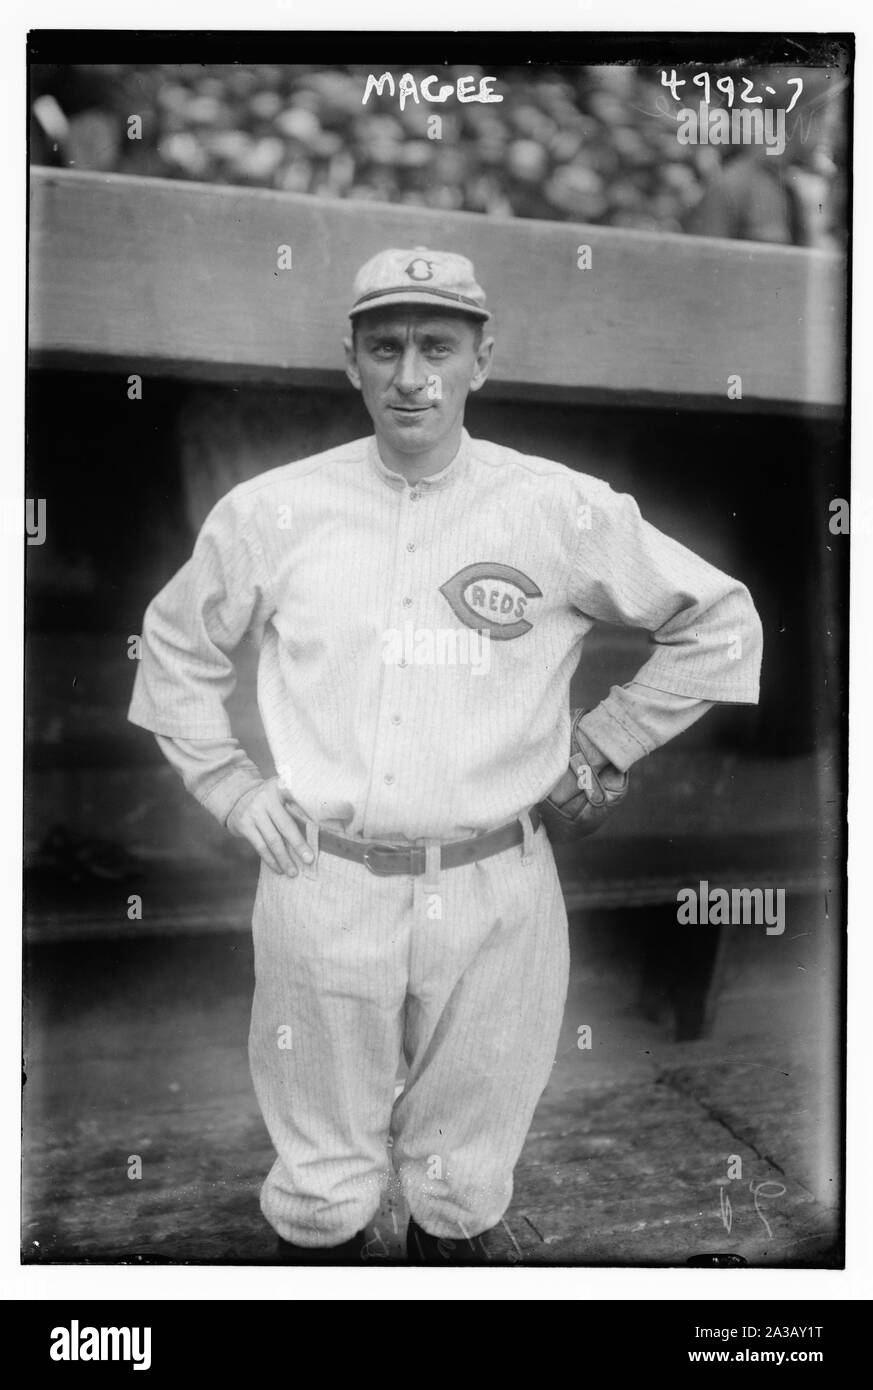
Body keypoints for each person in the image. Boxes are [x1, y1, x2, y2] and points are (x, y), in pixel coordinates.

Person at [129, 245, 763, 1264]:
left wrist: (605, 741)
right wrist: (231, 785)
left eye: (438, 346)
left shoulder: (558, 507)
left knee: (462, 1185)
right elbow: (174, 644)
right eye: (386, 347)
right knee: (323, 1186)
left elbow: (722, 622)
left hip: (496, 880)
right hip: (324, 873)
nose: (411, 374)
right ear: (352, 360)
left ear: (483, 357)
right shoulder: (272, 509)